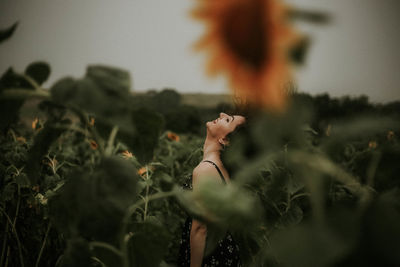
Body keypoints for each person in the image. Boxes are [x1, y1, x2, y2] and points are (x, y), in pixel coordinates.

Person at [178, 112, 246, 267]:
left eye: (228, 120)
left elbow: (200, 228)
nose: (222, 114)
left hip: (208, 255)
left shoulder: (206, 169)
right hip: (221, 250)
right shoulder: (222, 167)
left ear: (225, 140)